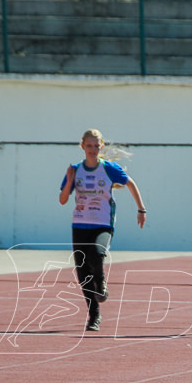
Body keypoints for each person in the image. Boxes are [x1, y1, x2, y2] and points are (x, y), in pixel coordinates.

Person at [59, 129, 147, 332]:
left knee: (97, 255)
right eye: (89, 146)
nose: (92, 150)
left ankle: (101, 283)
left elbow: (131, 183)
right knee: (82, 272)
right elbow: (63, 200)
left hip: (102, 223)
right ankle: (94, 315)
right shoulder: (74, 169)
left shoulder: (109, 169)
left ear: (102, 147)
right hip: (80, 224)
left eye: (96, 146)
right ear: (82, 146)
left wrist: (141, 209)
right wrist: (70, 181)